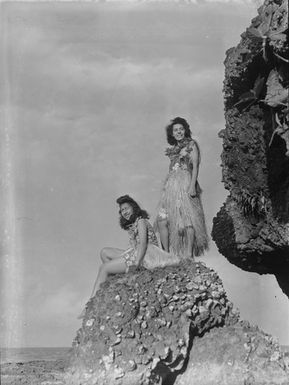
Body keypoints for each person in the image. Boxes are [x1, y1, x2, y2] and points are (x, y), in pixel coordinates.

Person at [79, 195, 179, 316]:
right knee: (104, 252)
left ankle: (91, 304)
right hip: (136, 251)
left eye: (126, 208)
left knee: (103, 268)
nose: (124, 212)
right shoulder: (134, 223)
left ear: (134, 208)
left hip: (146, 254)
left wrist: (136, 263)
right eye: (122, 211)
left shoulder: (141, 221)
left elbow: (143, 243)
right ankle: (112, 283)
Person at [155, 117, 209, 259]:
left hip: (185, 183)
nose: (178, 132)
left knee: (188, 219)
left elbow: (195, 166)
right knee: (162, 219)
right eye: (175, 130)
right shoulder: (173, 151)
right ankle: (166, 255)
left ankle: (188, 254)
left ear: (185, 130)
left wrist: (192, 186)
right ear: (172, 134)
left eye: (181, 129)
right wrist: (166, 188)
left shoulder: (191, 144)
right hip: (171, 187)